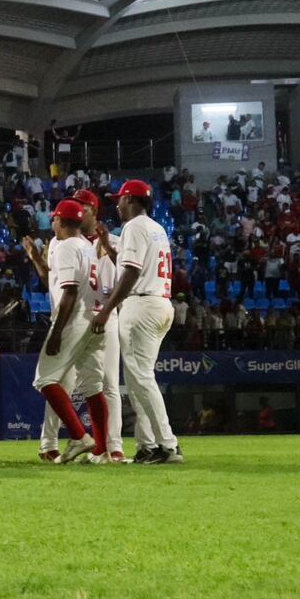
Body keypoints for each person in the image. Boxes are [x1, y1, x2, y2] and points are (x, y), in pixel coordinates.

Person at [91, 179, 184, 464]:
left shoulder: (132, 227)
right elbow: (134, 266)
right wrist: (108, 244)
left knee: (141, 379)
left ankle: (168, 445)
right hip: (160, 303)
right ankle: (148, 445)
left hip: (141, 305)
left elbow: (130, 273)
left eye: (120, 199)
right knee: (138, 380)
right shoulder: (156, 228)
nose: (117, 204)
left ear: (131, 201)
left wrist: (107, 309)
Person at [31, 200, 106, 465]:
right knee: (93, 386)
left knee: (44, 379)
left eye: (54, 219)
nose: (51, 223)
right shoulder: (87, 245)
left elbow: (70, 292)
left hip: (74, 319)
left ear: (61, 221)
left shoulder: (65, 246)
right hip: (95, 317)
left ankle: (79, 436)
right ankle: (103, 450)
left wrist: (56, 332)